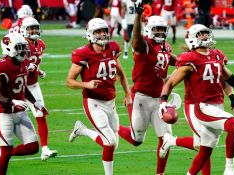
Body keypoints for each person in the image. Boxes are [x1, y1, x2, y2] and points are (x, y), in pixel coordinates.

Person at [159, 24, 234, 175]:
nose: (204, 36)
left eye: (205, 33)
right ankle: (229, 169)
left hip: (216, 105)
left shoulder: (216, 55)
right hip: (199, 106)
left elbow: (227, 77)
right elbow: (170, 82)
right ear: (192, 39)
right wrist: (163, 100)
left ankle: (171, 141)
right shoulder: (189, 59)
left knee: (204, 150)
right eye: (200, 34)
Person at [117, 1, 177, 174]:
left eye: (162, 29)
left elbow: (171, 58)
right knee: (137, 140)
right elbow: (136, 39)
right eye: (156, 29)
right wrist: (138, 16)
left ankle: (160, 173)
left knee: (166, 139)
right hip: (141, 98)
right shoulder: (144, 45)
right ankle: (112, 127)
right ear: (149, 29)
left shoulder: (165, 46)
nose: (159, 32)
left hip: (159, 99)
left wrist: (188, 61)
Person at [66, 17, 131, 175]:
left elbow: (121, 73)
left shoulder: (112, 48)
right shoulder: (83, 53)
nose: (102, 34)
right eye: (98, 31)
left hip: (111, 101)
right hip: (93, 102)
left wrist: (128, 93)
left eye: (104, 31)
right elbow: (69, 81)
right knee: (109, 141)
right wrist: (86, 84)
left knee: (113, 145)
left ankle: (82, 130)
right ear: (90, 34)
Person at [0, 33, 48, 175]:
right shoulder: (1, 66)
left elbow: (23, 87)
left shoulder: (22, 63)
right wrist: (10, 101)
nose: (24, 51)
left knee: (33, 147)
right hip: (4, 113)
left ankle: (0, 152)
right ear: (8, 48)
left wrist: (35, 103)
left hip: (20, 112)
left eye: (24, 48)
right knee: (6, 150)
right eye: (19, 48)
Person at [20, 16, 57, 161]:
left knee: (41, 114)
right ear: (24, 30)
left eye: (35, 27)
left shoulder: (41, 44)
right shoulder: (21, 44)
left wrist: (38, 71)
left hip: (33, 85)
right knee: (10, 115)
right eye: (31, 28)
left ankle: (45, 149)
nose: (34, 30)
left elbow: (35, 63)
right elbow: (12, 63)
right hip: (19, 86)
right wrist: (25, 66)